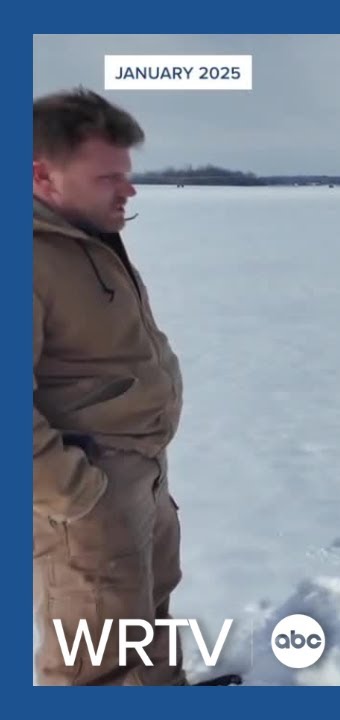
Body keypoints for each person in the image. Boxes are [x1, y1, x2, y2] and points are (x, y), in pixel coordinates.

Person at [32, 87, 188, 685]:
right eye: (108, 177)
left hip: (139, 473)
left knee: (148, 615)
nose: (129, 189)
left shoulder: (84, 233)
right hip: (84, 493)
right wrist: (77, 495)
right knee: (93, 660)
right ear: (42, 175)